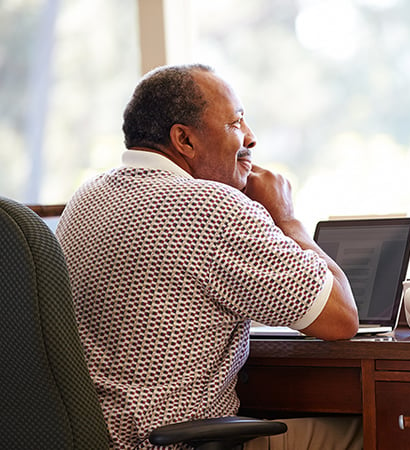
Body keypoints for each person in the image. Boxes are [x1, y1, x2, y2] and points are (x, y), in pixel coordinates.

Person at [56, 63, 361, 449]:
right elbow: (342, 317)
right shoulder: (211, 207)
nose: (250, 138)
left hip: (86, 439)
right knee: (372, 430)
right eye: (235, 123)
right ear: (184, 140)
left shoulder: (87, 198)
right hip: (169, 444)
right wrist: (286, 217)